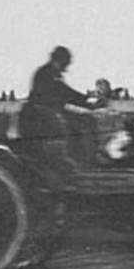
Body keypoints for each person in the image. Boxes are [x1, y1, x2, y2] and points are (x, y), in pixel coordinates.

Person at [17, 46, 100, 180]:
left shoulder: (48, 72)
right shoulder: (48, 73)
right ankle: (82, 164)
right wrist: (87, 102)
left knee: (79, 121)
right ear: (61, 60)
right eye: (67, 62)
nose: (67, 66)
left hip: (43, 115)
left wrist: (85, 101)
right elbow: (64, 93)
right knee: (82, 123)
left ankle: (80, 163)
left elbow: (64, 94)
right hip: (39, 118)